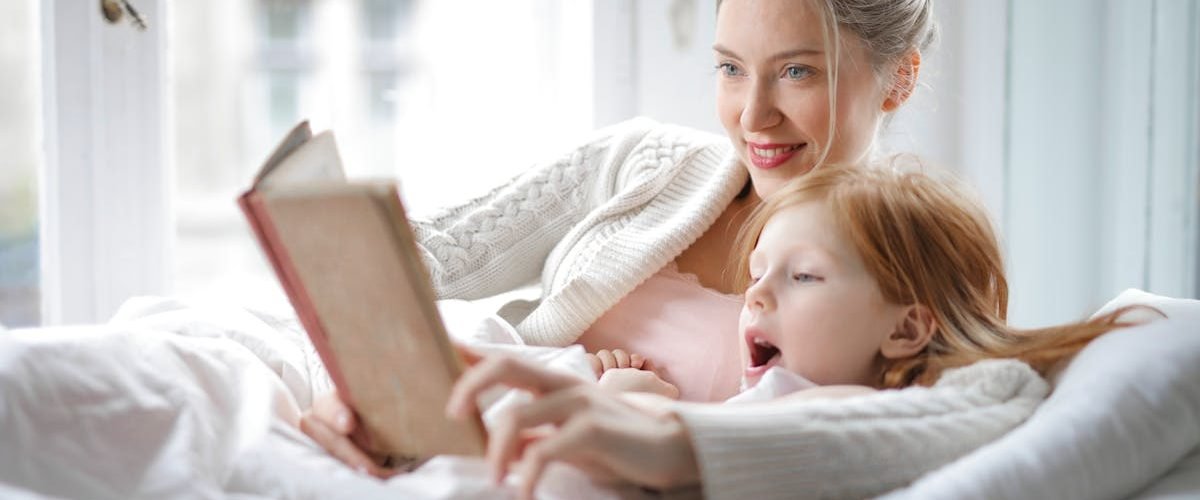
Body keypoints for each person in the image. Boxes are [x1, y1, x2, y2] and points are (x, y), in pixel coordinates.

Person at [302, 0, 934, 481]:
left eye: (797, 71)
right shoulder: (645, 161)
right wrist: (367, 386)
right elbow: (416, 266)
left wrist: (647, 428)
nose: (751, 115)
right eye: (731, 69)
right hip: (460, 445)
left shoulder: (910, 277)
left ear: (899, 80)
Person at [444, 163, 1152, 499]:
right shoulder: (785, 393)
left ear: (907, 329)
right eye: (757, 271)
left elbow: (778, 444)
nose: (754, 293)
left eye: (802, 276)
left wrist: (644, 408)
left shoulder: (853, 405)